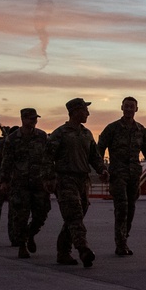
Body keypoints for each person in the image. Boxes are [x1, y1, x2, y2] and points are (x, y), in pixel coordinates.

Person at [47, 98, 108, 267]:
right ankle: (83, 249)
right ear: (74, 111)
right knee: (74, 215)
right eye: (84, 110)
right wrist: (50, 178)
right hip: (65, 179)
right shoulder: (60, 133)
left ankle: (63, 252)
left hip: (82, 180)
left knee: (74, 217)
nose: (87, 113)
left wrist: (102, 169)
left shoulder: (86, 133)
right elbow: (47, 158)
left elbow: (94, 157)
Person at [97, 96, 146, 256]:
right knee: (121, 207)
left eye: (132, 107)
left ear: (136, 109)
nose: (129, 109)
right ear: (121, 108)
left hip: (134, 175)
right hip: (117, 174)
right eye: (126, 106)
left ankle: (124, 238)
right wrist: (101, 168)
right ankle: (120, 243)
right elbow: (99, 148)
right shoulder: (112, 129)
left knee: (130, 208)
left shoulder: (141, 130)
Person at [0, 110, 53, 259]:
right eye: (31, 119)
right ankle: (22, 245)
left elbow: (49, 158)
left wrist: (50, 178)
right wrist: (4, 181)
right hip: (20, 184)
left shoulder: (42, 137)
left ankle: (30, 234)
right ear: (23, 119)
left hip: (39, 183)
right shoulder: (12, 139)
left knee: (42, 214)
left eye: (35, 119)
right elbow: (7, 161)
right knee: (20, 216)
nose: (34, 121)